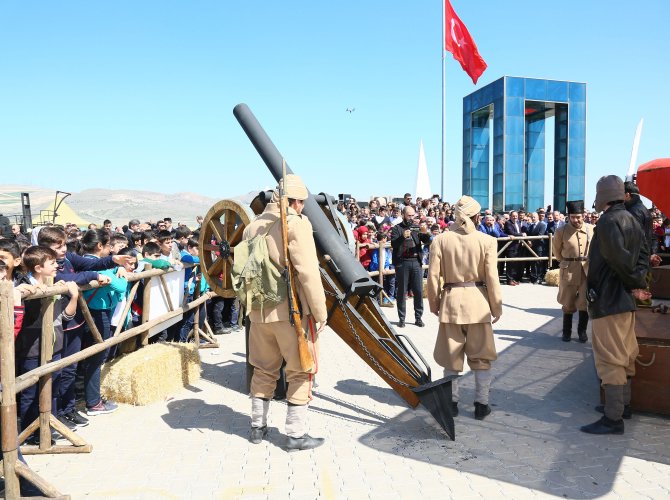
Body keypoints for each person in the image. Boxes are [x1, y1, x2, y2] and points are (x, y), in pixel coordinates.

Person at [243, 175, 327, 451]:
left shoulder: (252, 227)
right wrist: (319, 311)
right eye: (300, 202)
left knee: (264, 369)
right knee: (301, 371)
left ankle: (257, 427)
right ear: (294, 201)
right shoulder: (296, 223)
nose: (302, 207)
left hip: (258, 312)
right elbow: (308, 273)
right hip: (289, 313)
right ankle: (295, 434)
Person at [581, 175, 648, 435]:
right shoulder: (633, 217)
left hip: (609, 300)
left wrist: (633, 283)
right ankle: (623, 407)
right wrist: (637, 283)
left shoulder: (609, 221)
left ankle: (613, 418)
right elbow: (642, 255)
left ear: (602, 196)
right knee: (627, 353)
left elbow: (617, 259)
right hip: (624, 300)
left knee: (610, 358)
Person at [426, 196, 502, 420]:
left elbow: (432, 278)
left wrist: (434, 303)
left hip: (451, 303)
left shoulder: (440, 240)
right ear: (476, 216)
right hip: (478, 304)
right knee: (482, 357)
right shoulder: (487, 241)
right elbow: (492, 278)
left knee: (451, 358)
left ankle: (452, 404)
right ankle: (481, 404)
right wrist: (496, 307)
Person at [16, 246, 79, 444]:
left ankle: (47, 427)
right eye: (51, 263)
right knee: (31, 391)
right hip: (32, 347)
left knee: (53, 386)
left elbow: (65, 317)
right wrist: (24, 292)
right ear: (38, 267)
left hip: (55, 344)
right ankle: (29, 433)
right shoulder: (23, 285)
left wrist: (74, 296)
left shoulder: (54, 284)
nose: (57, 265)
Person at [552, 200, 593, 342]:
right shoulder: (561, 231)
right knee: (568, 302)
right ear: (568, 217)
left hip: (586, 271)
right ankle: (566, 332)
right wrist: (566, 262)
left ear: (584, 215)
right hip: (568, 270)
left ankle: (582, 332)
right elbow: (557, 252)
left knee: (584, 302)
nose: (577, 220)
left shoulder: (591, 229)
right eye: (573, 217)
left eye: (579, 216)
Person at [390, 205, 431, 328]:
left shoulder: (417, 228)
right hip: (402, 262)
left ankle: (418, 318)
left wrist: (426, 233)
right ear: (403, 215)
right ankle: (401, 319)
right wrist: (403, 236)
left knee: (418, 291)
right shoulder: (397, 228)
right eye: (409, 215)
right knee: (402, 292)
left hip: (416, 262)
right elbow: (393, 243)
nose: (412, 218)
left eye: (413, 215)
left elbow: (428, 241)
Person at [503, 211, 524, 285]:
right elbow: (511, 232)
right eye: (513, 216)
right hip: (511, 246)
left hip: (518, 246)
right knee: (510, 263)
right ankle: (509, 280)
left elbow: (518, 232)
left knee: (516, 264)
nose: (515, 217)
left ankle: (514, 279)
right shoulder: (508, 223)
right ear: (510, 216)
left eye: (516, 216)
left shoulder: (518, 223)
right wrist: (522, 234)